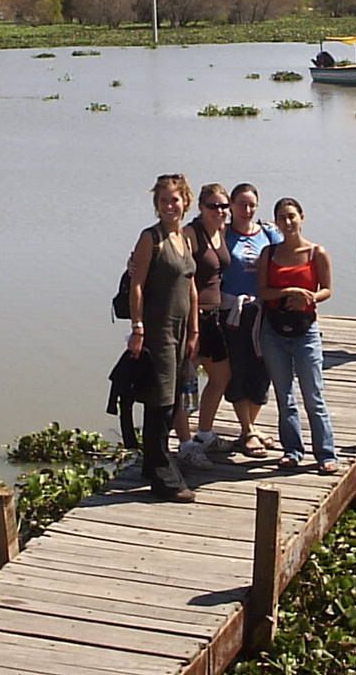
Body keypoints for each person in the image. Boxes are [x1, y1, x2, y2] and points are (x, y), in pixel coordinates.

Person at [127, 174, 200, 503]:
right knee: (161, 402)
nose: (169, 206)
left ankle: (152, 463)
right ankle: (163, 476)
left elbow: (191, 286)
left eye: (175, 199)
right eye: (163, 200)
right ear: (156, 205)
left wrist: (194, 330)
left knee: (173, 399)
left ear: (186, 201)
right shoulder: (151, 238)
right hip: (158, 332)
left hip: (181, 332)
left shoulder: (185, 238)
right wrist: (138, 327)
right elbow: (137, 285)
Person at [257, 197, 338, 474]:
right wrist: (287, 292)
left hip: (306, 332)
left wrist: (309, 297)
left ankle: (325, 453)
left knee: (313, 395)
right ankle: (292, 451)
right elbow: (262, 291)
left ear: (302, 217)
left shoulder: (316, 253)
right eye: (282, 217)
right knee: (284, 396)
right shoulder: (268, 254)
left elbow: (327, 289)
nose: (288, 222)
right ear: (276, 221)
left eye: (292, 216)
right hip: (274, 331)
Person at [175, 183, 236, 469]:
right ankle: (185, 444)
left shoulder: (220, 231)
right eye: (213, 206)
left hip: (214, 317)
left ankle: (204, 433)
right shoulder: (190, 235)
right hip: (192, 318)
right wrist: (192, 328)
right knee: (183, 385)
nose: (219, 211)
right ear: (200, 207)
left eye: (224, 206)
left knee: (221, 375)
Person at [221, 183, 282, 457]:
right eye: (241, 204)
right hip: (233, 315)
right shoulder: (221, 234)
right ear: (231, 206)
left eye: (251, 205)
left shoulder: (269, 234)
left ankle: (251, 428)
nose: (247, 210)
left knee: (262, 370)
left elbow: (289, 256)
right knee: (238, 370)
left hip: (264, 312)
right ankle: (247, 431)